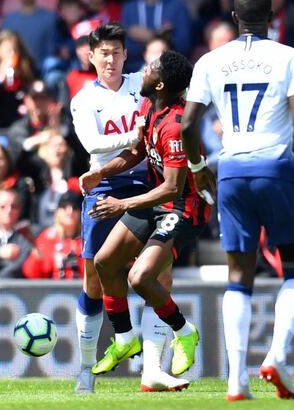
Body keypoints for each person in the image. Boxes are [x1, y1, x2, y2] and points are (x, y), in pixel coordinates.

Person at [181, 0, 294, 401]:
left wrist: (196, 168)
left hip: (230, 170)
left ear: (234, 16)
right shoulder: (290, 58)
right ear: (272, 16)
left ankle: (235, 379)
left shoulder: (210, 60)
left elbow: (190, 126)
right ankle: (276, 355)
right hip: (275, 167)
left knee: (238, 275)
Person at [79, 50, 206, 392]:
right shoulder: (149, 105)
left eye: (150, 68)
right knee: (105, 262)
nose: (143, 70)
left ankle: (184, 331)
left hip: (181, 208)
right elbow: (137, 150)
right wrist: (101, 171)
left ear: (161, 83)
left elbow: (172, 187)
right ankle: (124, 337)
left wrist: (121, 204)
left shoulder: (176, 125)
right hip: (156, 198)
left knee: (140, 277)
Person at [68, 22, 152, 394]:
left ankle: (153, 368)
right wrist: (136, 135)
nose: (110, 59)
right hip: (102, 185)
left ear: (125, 56)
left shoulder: (142, 85)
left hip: (146, 183)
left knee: (154, 274)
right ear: (91, 57)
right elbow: (93, 143)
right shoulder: (84, 99)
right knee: (93, 279)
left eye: (116, 52)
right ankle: (86, 366)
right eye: (103, 53)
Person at [22, 191, 84, 280]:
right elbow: (31, 273)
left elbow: (93, 274)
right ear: (57, 212)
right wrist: (51, 259)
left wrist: (75, 260)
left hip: (80, 288)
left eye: (74, 208)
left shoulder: (87, 239)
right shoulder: (47, 237)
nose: (70, 211)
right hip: (52, 289)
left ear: (80, 212)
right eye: (64, 207)